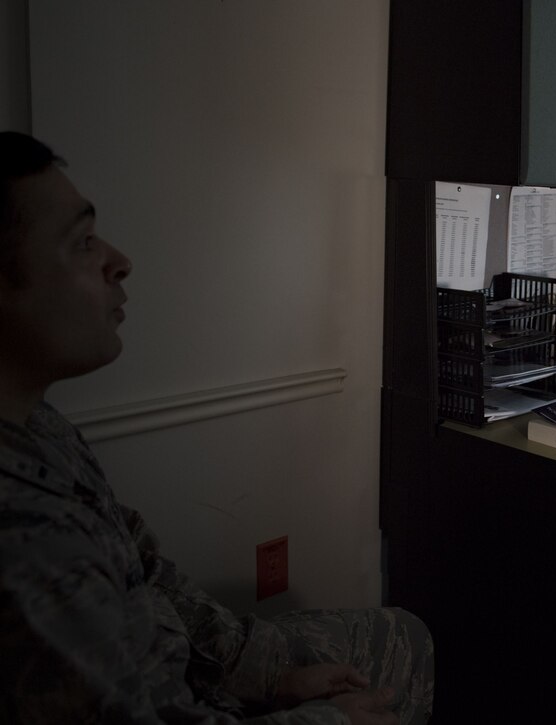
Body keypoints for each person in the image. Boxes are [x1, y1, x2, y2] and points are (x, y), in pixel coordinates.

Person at [0, 131, 434, 724]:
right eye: (80, 243)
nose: (119, 261)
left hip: (195, 676)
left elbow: (147, 573)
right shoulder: (27, 538)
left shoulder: (40, 427)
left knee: (404, 636)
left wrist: (268, 676)